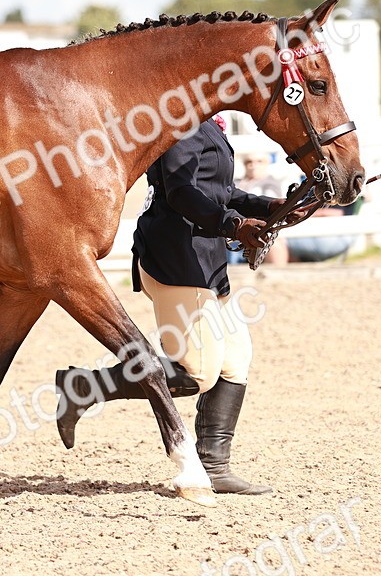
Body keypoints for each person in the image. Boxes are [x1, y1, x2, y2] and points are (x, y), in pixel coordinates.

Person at [54, 114, 281, 495]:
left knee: (235, 359)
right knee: (198, 372)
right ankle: (84, 385)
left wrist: (270, 206)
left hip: (205, 259)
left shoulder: (206, 123)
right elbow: (180, 192)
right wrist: (232, 225)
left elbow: (219, 193)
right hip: (178, 258)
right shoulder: (180, 123)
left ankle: (213, 465)